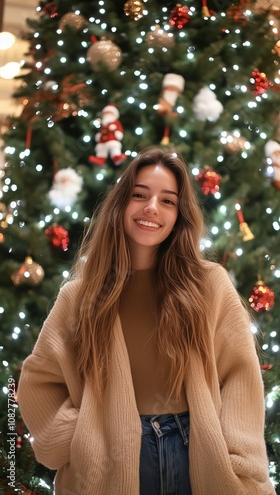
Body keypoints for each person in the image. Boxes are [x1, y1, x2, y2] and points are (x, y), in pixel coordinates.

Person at [17, 146, 275, 495]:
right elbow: (39, 380)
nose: (152, 208)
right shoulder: (80, 297)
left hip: (196, 454)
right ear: (122, 204)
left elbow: (240, 375)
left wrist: (236, 456)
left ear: (179, 214)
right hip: (110, 462)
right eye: (140, 195)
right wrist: (81, 436)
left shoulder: (209, 285)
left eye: (167, 201)